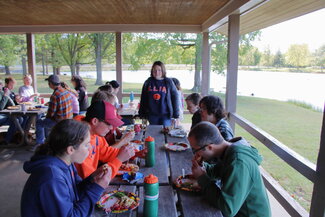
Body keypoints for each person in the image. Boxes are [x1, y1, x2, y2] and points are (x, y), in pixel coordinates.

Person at [21, 119, 112, 217]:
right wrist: (97, 188)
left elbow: (75, 191)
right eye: (86, 145)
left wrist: (92, 179)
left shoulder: (65, 162)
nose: (90, 148)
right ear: (71, 149)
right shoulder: (52, 177)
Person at [188, 121, 271, 217]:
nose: (195, 154)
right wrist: (202, 167)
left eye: (195, 150)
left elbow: (227, 209)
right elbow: (217, 171)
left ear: (209, 147)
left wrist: (202, 177)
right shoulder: (228, 151)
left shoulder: (238, 162)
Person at [74, 100, 135, 179]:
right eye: (109, 124)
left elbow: (106, 153)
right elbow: (92, 181)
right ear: (95, 121)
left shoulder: (94, 132)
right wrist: (119, 160)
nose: (111, 128)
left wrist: (133, 153)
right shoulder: (80, 141)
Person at [33, 75, 73, 151]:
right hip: (69, 120)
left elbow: (51, 113)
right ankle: (48, 141)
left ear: (51, 84)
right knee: (45, 121)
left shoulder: (55, 95)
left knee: (39, 122)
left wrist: (46, 117)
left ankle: (40, 144)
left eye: (48, 83)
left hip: (59, 122)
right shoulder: (66, 92)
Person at [139, 61, 179, 126]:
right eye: (155, 70)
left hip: (166, 115)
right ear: (152, 71)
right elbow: (143, 99)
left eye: (159, 70)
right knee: (154, 134)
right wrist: (142, 114)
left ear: (163, 71)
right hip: (152, 115)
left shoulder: (168, 82)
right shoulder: (148, 82)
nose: (157, 72)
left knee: (166, 133)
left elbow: (175, 98)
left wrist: (176, 115)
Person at [0, 79, 17, 145]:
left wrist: (8, 95)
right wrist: (5, 96)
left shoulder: (2, 92)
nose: (1, 86)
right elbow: (0, 107)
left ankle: (17, 138)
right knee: (16, 120)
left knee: (20, 119)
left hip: (4, 114)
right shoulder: (2, 94)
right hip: (1, 115)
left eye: (1, 84)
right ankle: (7, 140)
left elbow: (12, 105)